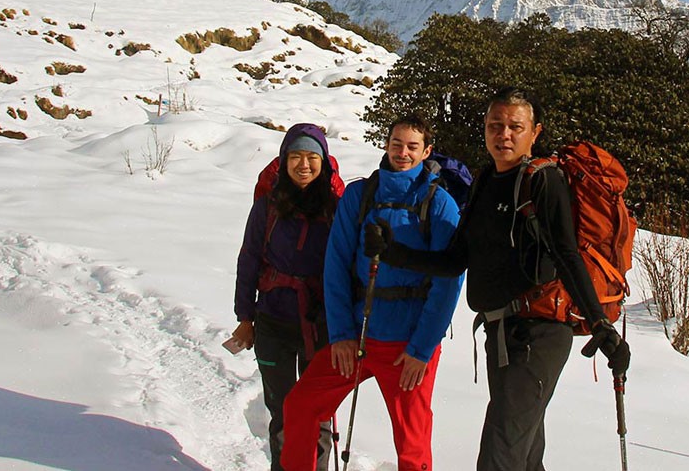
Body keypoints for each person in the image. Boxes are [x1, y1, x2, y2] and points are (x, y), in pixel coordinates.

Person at [371, 87, 631, 470]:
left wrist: (600, 325)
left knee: (500, 454)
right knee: (523, 456)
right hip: (501, 333)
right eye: (495, 125)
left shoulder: (544, 180)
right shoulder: (484, 180)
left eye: (515, 126)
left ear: (534, 132)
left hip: (539, 333)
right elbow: (455, 259)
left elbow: (566, 253)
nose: (503, 134)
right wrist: (392, 252)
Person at [280, 116, 463, 471]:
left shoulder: (440, 204)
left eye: (412, 147)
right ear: (386, 144)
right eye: (397, 144)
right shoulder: (359, 195)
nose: (403, 153)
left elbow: (448, 283)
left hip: (407, 347)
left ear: (426, 151)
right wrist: (342, 335)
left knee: (412, 442)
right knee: (300, 406)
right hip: (358, 337)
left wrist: (421, 350)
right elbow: (335, 264)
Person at [230, 124, 343, 470]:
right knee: (281, 410)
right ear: (283, 160)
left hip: (321, 323)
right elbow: (249, 259)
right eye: (296, 157)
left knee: (318, 413)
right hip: (273, 321)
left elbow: (347, 265)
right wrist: (245, 317)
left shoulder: (337, 208)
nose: (304, 165)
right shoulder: (267, 207)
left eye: (312, 157)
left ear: (324, 162)